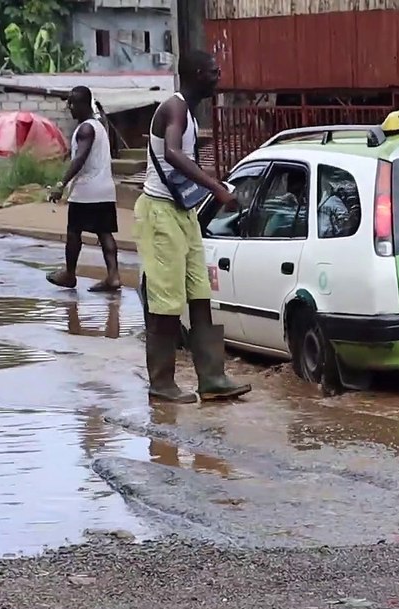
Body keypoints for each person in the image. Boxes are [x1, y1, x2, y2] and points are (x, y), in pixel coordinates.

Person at [136, 49, 251, 403]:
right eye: (214, 72)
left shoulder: (189, 112)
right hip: (158, 213)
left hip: (182, 214)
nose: (219, 77)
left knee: (200, 296)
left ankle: (212, 378)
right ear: (198, 73)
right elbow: (172, 152)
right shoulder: (175, 108)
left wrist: (212, 186)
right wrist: (216, 187)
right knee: (166, 303)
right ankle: (161, 382)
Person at [46, 86, 122, 292]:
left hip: (87, 191)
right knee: (105, 233)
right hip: (105, 189)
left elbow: (81, 158)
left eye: (72, 102)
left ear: (83, 104)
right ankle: (113, 276)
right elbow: (80, 153)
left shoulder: (86, 129)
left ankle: (69, 275)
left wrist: (61, 184)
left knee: (73, 232)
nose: (69, 107)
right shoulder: (98, 126)